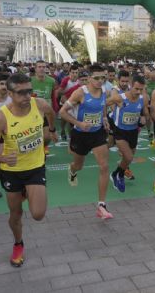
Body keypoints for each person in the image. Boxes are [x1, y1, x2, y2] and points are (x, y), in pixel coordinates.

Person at [0, 73, 54, 267]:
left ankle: (28, 191)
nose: (26, 96)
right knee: (15, 214)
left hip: (35, 167)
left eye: (29, 91)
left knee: (38, 214)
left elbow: (51, 112)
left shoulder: (38, 104)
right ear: (10, 93)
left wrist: (51, 130)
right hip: (12, 171)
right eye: (21, 93)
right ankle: (18, 243)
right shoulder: (1, 118)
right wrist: (2, 158)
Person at [60, 63, 114, 219]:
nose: (100, 81)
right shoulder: (80, 93)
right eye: (96, 78)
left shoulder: (104, 91)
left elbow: (103, 105)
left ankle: (101, 205)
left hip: (97, 133)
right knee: (79, 165)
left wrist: (104, 118)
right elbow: (62, 112)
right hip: (80, 134)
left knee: (104, 166)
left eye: (103, 78)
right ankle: (72, 170)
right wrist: (79, 124)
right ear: (89, 78)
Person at [109, 75, 149, 192]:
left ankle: (116, 173)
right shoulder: (119, 97)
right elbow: (103, 104)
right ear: (131, 85)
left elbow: (145, 111)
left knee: (128, 159)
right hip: (120, 131)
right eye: (136, 89)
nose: (138, 92)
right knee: (128, 157)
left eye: (141, 89)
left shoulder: (143, 98)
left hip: (133, 131)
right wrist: (106, 119)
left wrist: (143, 117)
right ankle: (120, 176)